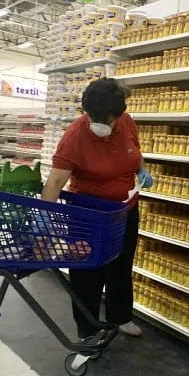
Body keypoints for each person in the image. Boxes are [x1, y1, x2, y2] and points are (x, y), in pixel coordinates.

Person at [41, 78, 153, 342]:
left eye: (109, 119)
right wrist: (44, 216)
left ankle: (120, 317)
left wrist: (141, 170)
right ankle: (87, 329)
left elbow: (135, 152)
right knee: (86, 273)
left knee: (121, 266)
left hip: (124, 211)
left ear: (120, 114)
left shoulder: (127, 123)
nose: (102, 124)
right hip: (87, 216)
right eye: (95, 117)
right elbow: (56, 181)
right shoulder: (75, 135)